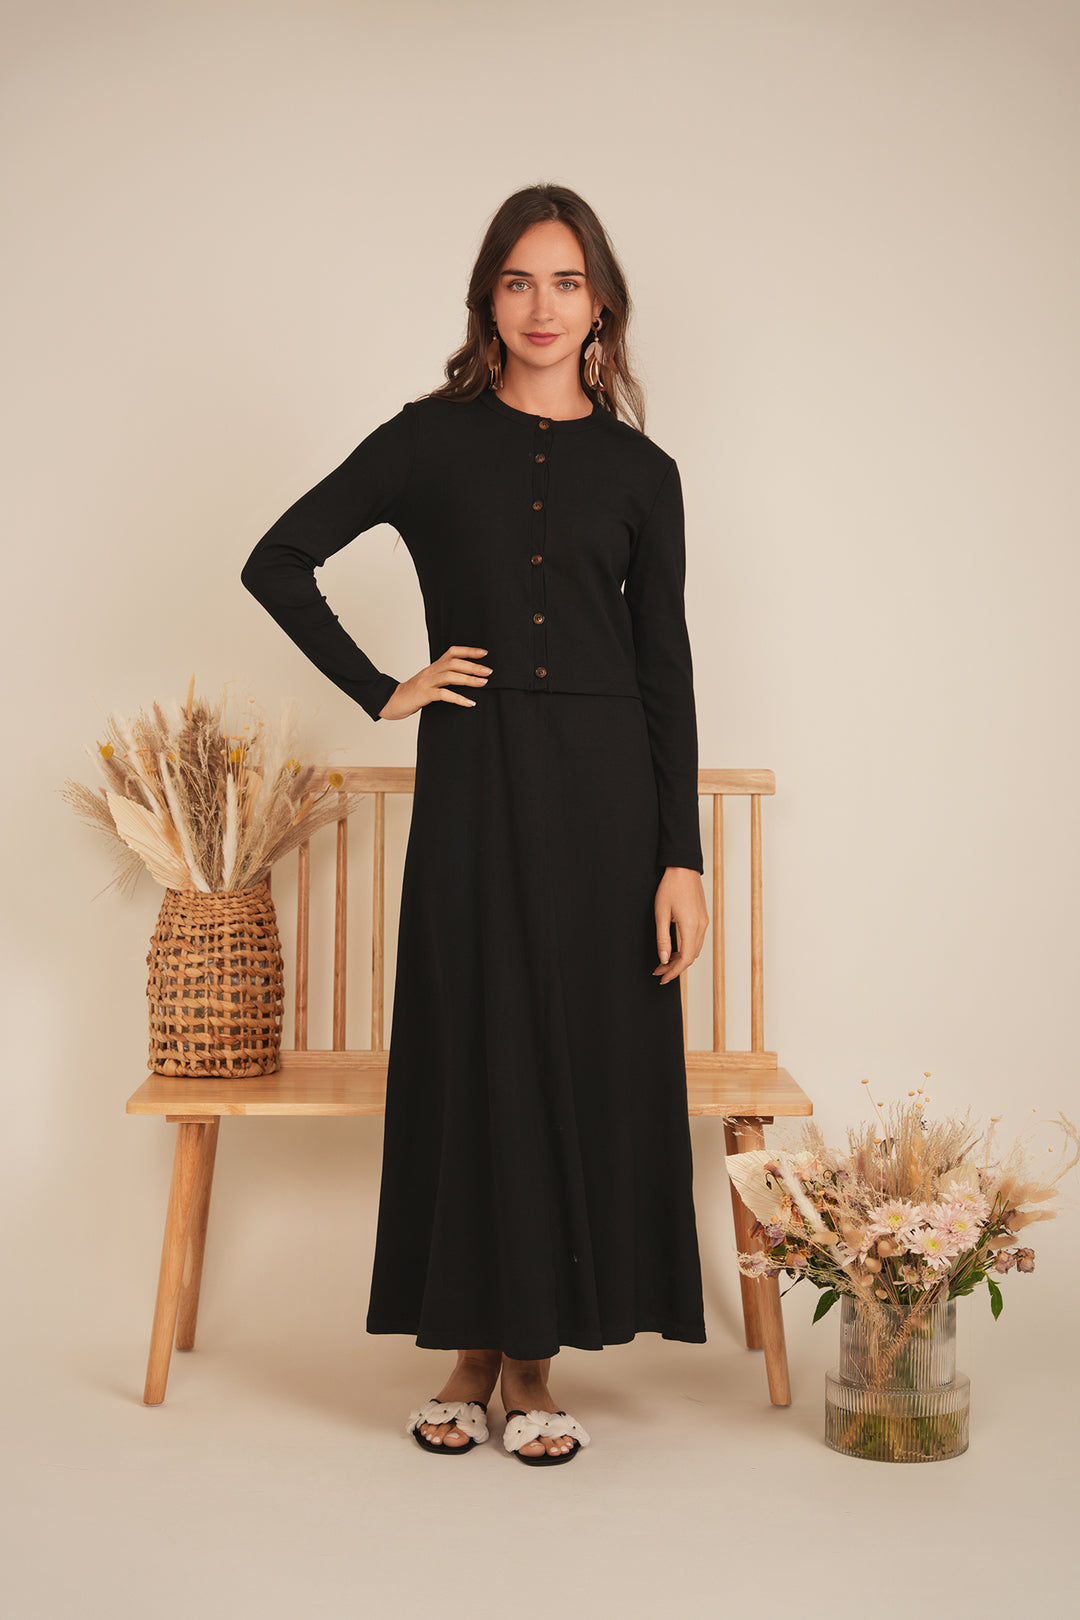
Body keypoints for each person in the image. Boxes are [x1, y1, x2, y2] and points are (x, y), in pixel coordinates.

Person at [241, 183, 709, 1466]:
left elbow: (665, 667)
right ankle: (467, 1352)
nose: (542, 307)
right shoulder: (429, 441)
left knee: (576, 1054)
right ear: (486, 299)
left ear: (600, 303)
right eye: (517, 281)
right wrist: (383, 687)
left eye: (566, 281)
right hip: (477, 779)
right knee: (475, 1046)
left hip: (610, 800)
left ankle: (536, 1363)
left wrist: (681, 856)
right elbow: (279, 558)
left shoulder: (644, 473)